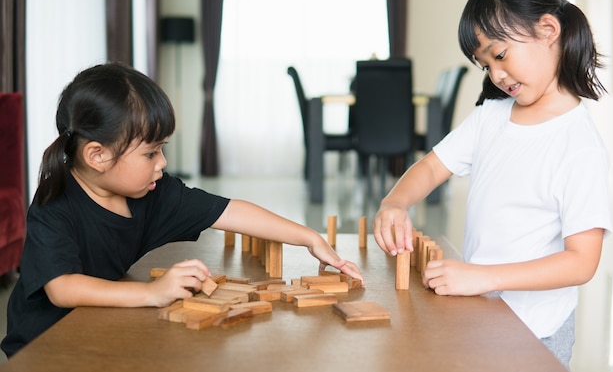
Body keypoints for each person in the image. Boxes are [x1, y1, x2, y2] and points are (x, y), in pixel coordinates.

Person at [1, 62, 364, 358]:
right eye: (150, 153)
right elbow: (63, 289)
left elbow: (228, 211)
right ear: (97, 155)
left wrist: (309, 238)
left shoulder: (151, 192)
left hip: (101, 331)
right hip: (43, 347)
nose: (162, 162)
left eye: (162, 148)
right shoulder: (55, 205)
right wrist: (152, 293)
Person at [373, 0, 611, 369]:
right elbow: (431, 168)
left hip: (538, 331)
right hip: (481, 314)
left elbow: (581, 262)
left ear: (548, 29)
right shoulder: (491, 118)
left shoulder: (579, 144)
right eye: (485, 66)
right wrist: (395, 203)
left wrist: (484, 277)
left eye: (499, 54)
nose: (497, 75)